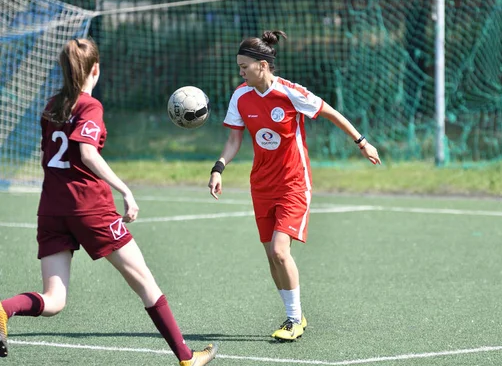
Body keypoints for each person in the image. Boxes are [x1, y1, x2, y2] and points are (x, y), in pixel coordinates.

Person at [0, 38, 217, 366]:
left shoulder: (51, 106)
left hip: (51, 209)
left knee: (54, 300)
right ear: (96, 69)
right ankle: (187, 358)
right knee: (145, 282)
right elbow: (87, 154)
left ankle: (4, 309)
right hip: (89, 208)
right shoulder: (90, 106)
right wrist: (125, 189)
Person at [208, 30, 381, 341]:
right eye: (239, 67)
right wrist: (219, 168)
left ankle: (294, 319)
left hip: (293, 183)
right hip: (261, 185)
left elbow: (331, 113)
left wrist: (362, 142)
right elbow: (234, 138)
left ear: (263, 65)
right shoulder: (240, 96)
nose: (240, 71)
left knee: (279, 250)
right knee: (271, 256)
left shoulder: (290, 93)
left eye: (244, 66)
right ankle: (294, 314)